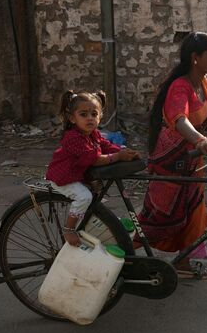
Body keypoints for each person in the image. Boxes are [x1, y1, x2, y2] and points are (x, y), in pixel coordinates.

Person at [137, 31, 207, 279]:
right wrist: (201, 140)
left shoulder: (203, 84)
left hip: (190, 158)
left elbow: (200, 119)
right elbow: (180, 120)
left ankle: (184, 262)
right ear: (195, 58)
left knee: (193, 211)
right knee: (162, 215)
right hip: (171, 160)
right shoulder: (180, 87)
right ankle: (117, 248)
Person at [46, 90, 140, 246]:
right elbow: (95, 160)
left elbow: (105, 146)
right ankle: (69, 229)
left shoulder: (92, 133)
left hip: (78, 174)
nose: (89, 118)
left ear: (100, 116)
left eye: (94, 114)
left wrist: (122, 151)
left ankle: (89, 224)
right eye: (83, 114)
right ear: (72, 118)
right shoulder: (74, 137)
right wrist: (118, 157)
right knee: (85, 197)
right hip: (64, 178)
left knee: (97, 193)